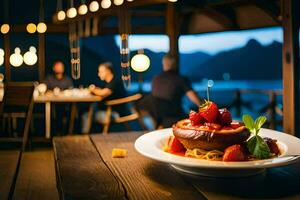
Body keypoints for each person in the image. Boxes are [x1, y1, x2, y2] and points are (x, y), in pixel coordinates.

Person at [139, 53, 202, 128]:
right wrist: (204, 107)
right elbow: (195, 98)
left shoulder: (155, 79)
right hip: (176, 118)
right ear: (176, 64)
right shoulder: (181, 79)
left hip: (158, 119)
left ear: (164, 64)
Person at [81, 62, 128, 133]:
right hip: (108, 111)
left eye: (101, 72)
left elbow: (103, 93)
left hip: (114, 113)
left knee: (86, 115)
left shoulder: (115, 81)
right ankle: (87, 135)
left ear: (108, 71)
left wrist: (93, 89)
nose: (99, 74)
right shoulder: (108, 82)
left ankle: (85, 136)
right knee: (87, 112)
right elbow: (102, 90)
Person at [44, 61, 73, 135]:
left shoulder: (67, 79)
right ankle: (51, 134)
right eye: (57, 66)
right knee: (54, 111)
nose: (59, 68)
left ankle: (66, 133)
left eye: (61, 67)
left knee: (66, 110)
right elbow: (44, 89)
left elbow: (71, 90)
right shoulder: (49, 78)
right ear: (54, 68)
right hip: (51, 104)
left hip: (65, 103)